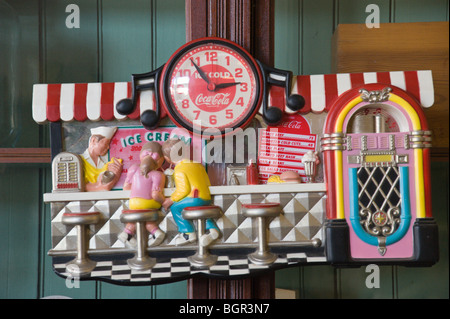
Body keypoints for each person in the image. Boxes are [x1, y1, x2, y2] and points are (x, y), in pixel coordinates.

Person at [162, 138, 220, 246]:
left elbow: (183, 190)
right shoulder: (198, 165)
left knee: (175, 208)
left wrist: (170, 200)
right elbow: (207, 183)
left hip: (194, 199)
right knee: (203, 212)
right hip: (206, 199)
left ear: (167, 159)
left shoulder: (179, 170)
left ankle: (188, 233)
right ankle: (213, 230)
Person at [119, 142, 166, 248]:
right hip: (149, 203)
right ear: (160, 160)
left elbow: (126, 188)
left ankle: (127, 233)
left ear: (141, 156)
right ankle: (156, 232)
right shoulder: (158, 175)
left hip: (134, 203)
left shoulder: (133, 168)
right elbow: (155, 195)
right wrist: (164, 201)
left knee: (140, 216)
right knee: (146, 215)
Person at [80, 126, 123, 192]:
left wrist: (116, 173)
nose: (108, 147)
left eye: (108, 144)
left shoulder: (105, 164)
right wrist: (99, 186)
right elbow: (77, 186)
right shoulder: (79, 161)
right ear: (94, 140)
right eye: (106, 144)